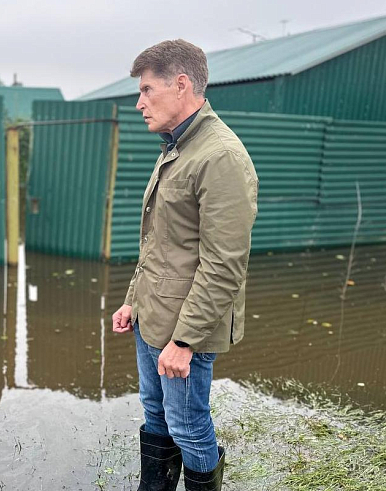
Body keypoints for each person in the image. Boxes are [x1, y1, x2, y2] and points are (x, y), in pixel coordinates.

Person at [112, 40, 258, 491]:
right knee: (155, 413)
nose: (139, 103)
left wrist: (185, 340)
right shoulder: (176, 146)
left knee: (188, 425)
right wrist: (132, 301)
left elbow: (224, 265)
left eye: (146, 90)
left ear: (181, 85)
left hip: (184, 327)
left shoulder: (221, 156)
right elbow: (161, 242)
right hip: (153, 316)